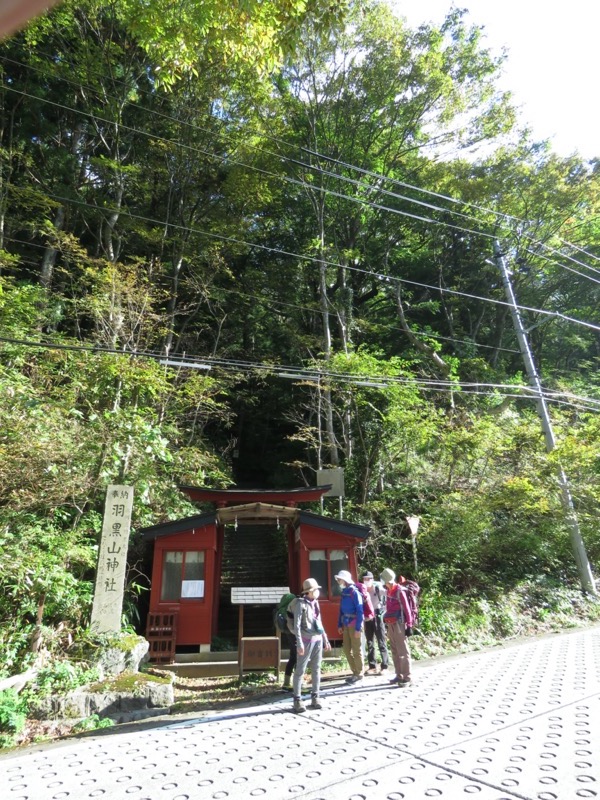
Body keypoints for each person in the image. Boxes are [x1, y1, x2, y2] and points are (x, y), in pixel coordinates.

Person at [292, 577, 331, 713]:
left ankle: (315, 696)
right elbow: (297, 626)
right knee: (300, 671)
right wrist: (299, 643)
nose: (317, 592)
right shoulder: (300, 604)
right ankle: (297, 699)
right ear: (309, 591)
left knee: (316, 669)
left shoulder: (316, 603)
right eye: (315, 590)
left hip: (317, 639)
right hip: (306, 640)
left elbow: (319, 622)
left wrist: (325, 638)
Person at [380, 567, 414, 686]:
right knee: (394, 650)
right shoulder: (389, 590)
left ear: (387, 580)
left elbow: (407, 609)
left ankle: (407, 678)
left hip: (400, 624)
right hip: (391, 624)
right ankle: (398, 675)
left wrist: (409, 625)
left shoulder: (400, 591)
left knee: (403, 652)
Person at [335, 569, 364, 685]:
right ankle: (355, 672)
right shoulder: (344, 592)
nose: (338, 580)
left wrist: (358, 628)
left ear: (345, 580)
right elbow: (341, 610)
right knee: (347, 650)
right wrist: (339, 624)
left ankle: (359, 674)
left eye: (339, 578)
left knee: (356, 650)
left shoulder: (354, 592)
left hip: (354, 624)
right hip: (346, 624)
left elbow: (360, 611)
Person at [361, 571, 389, 675]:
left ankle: (385, 666)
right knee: (370, 642)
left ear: (372, 579)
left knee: (381, 641)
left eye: (368, 579)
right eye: (365, 579)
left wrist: (385, 611)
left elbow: (388, 595)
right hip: (367, 617)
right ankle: (372, 666)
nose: (366, 581)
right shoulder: (362, 590)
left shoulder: (378, 589)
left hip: (377, 615)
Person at [276, 592, 297, 690]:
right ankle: (298, 684)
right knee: (298, 659)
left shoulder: (281, 610)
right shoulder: (289, 610)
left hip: (289, 635)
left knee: (292, 657)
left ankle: (286, 683)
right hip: (294, 635)